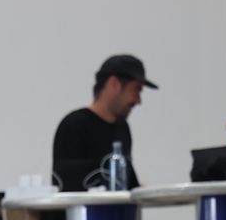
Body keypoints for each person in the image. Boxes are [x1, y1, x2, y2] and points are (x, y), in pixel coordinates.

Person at [52, 54, 155, 192]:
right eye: (135, 89)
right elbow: (65, 187)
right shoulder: (74, 125)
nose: (138, 100)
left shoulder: (122, 128)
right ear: (114, 84)